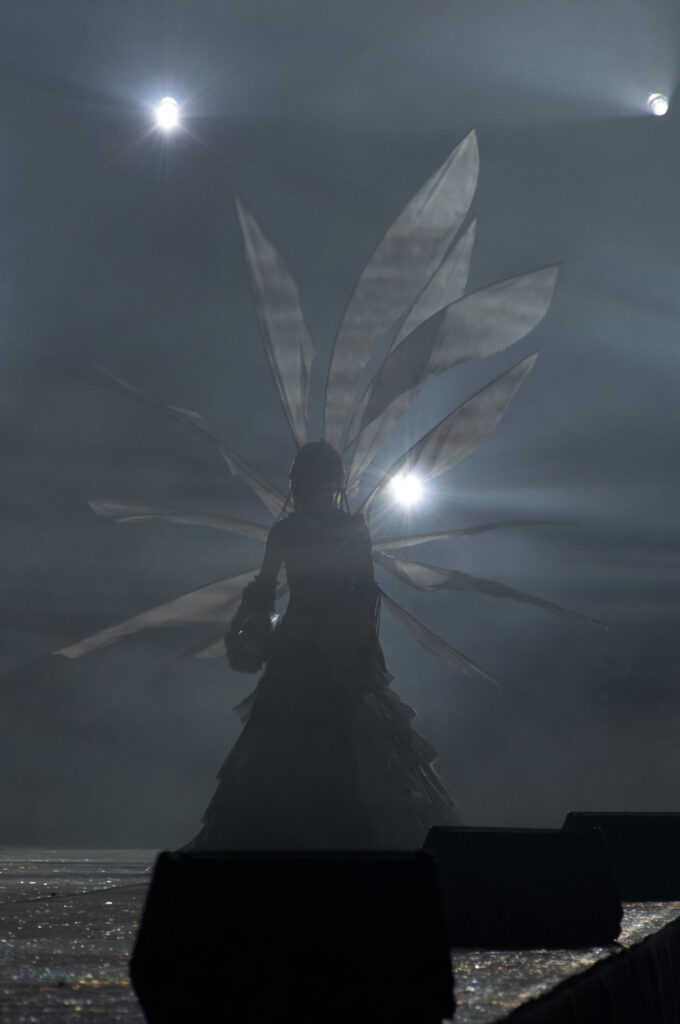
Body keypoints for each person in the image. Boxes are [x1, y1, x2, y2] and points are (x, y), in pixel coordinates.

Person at [188, 441, 458, 850]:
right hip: (337, 647)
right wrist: (358, 645)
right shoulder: (347, 527)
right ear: (336, 481)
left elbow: (264, 593)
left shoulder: (288, 530)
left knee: (285, 748)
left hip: (301, 648)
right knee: (355, 746)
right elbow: (364, 592)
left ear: (299, 481)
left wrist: (245, 636)